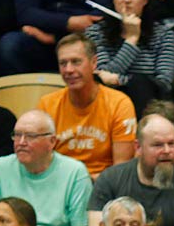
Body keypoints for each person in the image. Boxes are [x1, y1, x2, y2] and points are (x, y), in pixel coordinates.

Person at [0, 109, 91, 226]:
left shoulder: (75, 172)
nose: (21, 142)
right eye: (17, 135)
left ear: (52, 142)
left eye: (30, 136)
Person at [38, 32, 137, 179]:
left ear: (94, 63)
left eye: (76, 62)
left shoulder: (119, 104)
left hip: (103, 187)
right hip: (59, 185)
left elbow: (121, 172)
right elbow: (41, 164)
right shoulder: (47, 104)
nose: (68, 70)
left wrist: (81, 183)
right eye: (63, 63)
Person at [90, 0, 174, 112]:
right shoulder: (95, 32)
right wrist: (131, 40)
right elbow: (100, 79)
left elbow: (163, 84)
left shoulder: (164, 35)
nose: (127, 0)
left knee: (141, 84)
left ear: (145, 0)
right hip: (106, 106)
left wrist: (120, 80)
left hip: (150, 109)